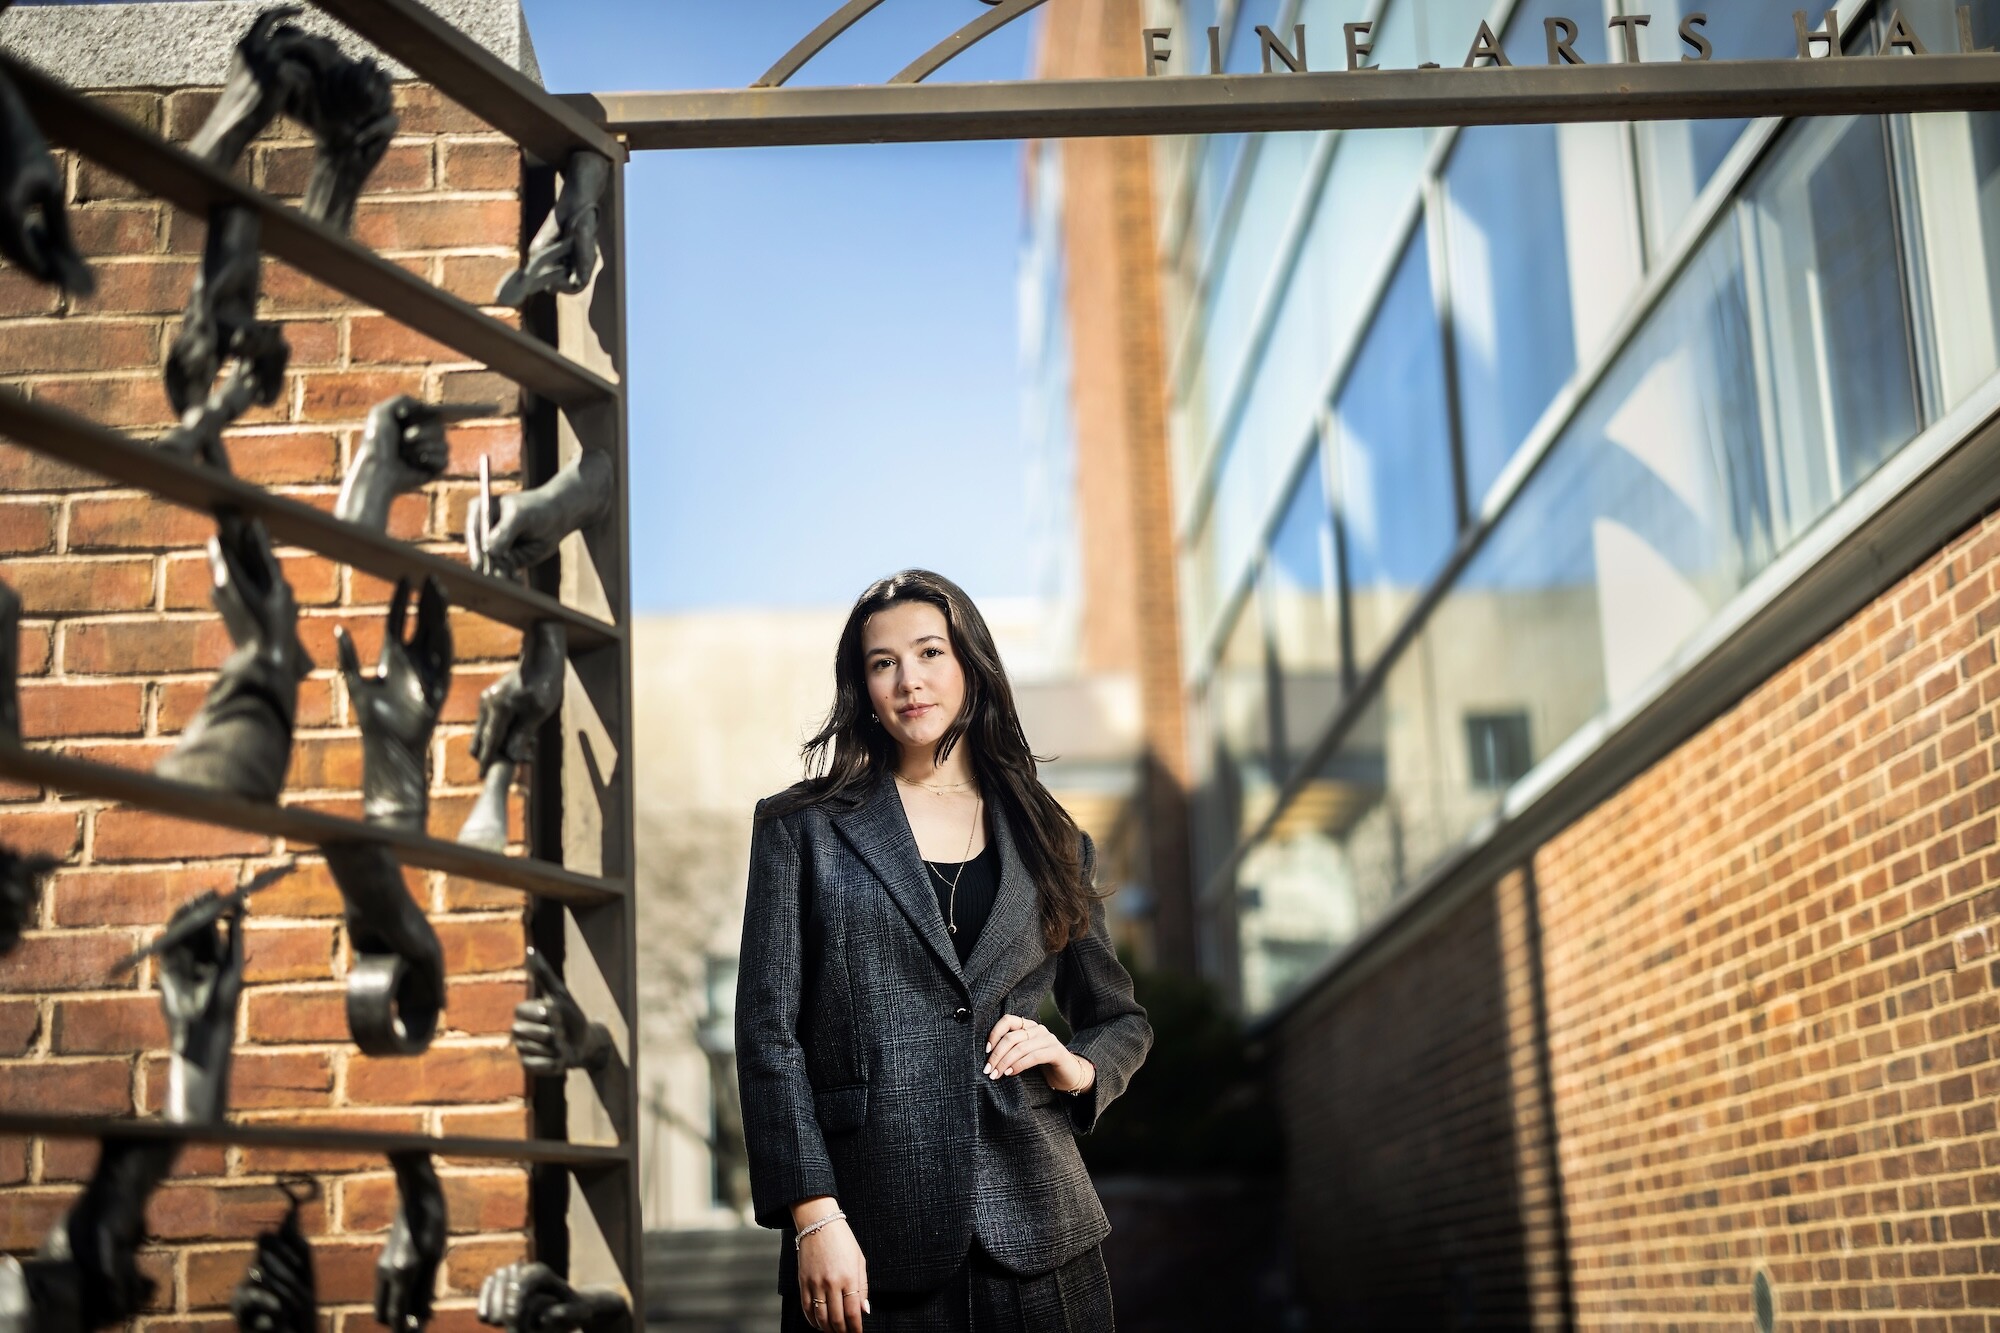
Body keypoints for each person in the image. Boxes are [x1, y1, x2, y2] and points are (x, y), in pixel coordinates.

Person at [736, 569, 1154, 1332]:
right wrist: (814, 1214)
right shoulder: (803, 829)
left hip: (1041, 1227)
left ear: (971, 664)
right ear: (862, 684)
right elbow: (769, 1035)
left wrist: (1077, 1062)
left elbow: (1122, 1017)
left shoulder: (1052, 837)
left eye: (930, 652)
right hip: (867, 1231)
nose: (909, 680)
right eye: (882, 662)